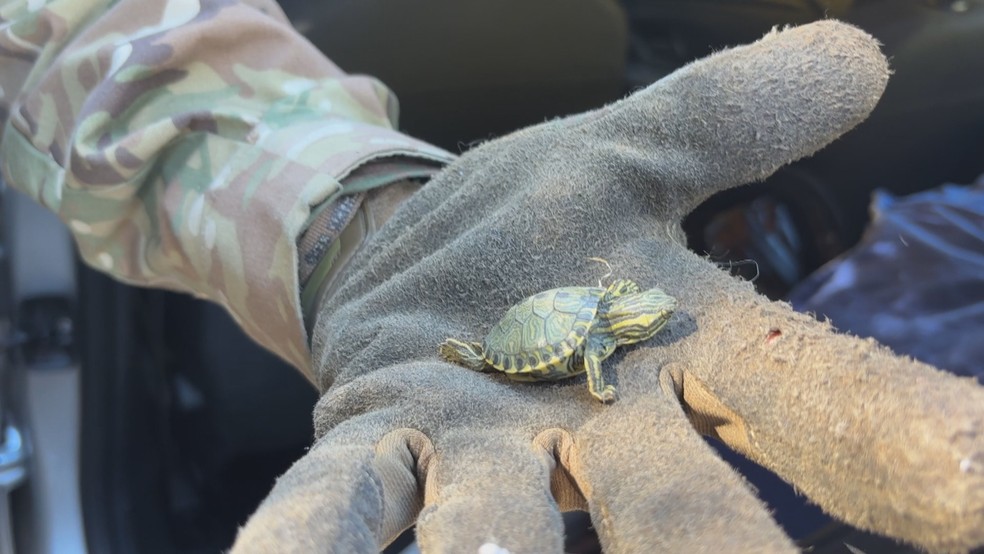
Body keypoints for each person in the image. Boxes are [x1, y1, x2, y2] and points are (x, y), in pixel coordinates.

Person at [2, 1, 982, 552]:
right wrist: (371, 236)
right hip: (516, 338)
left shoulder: (618, 312)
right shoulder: (595, 334)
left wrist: (358, 222)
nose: (643, 315)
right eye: (635, 313)